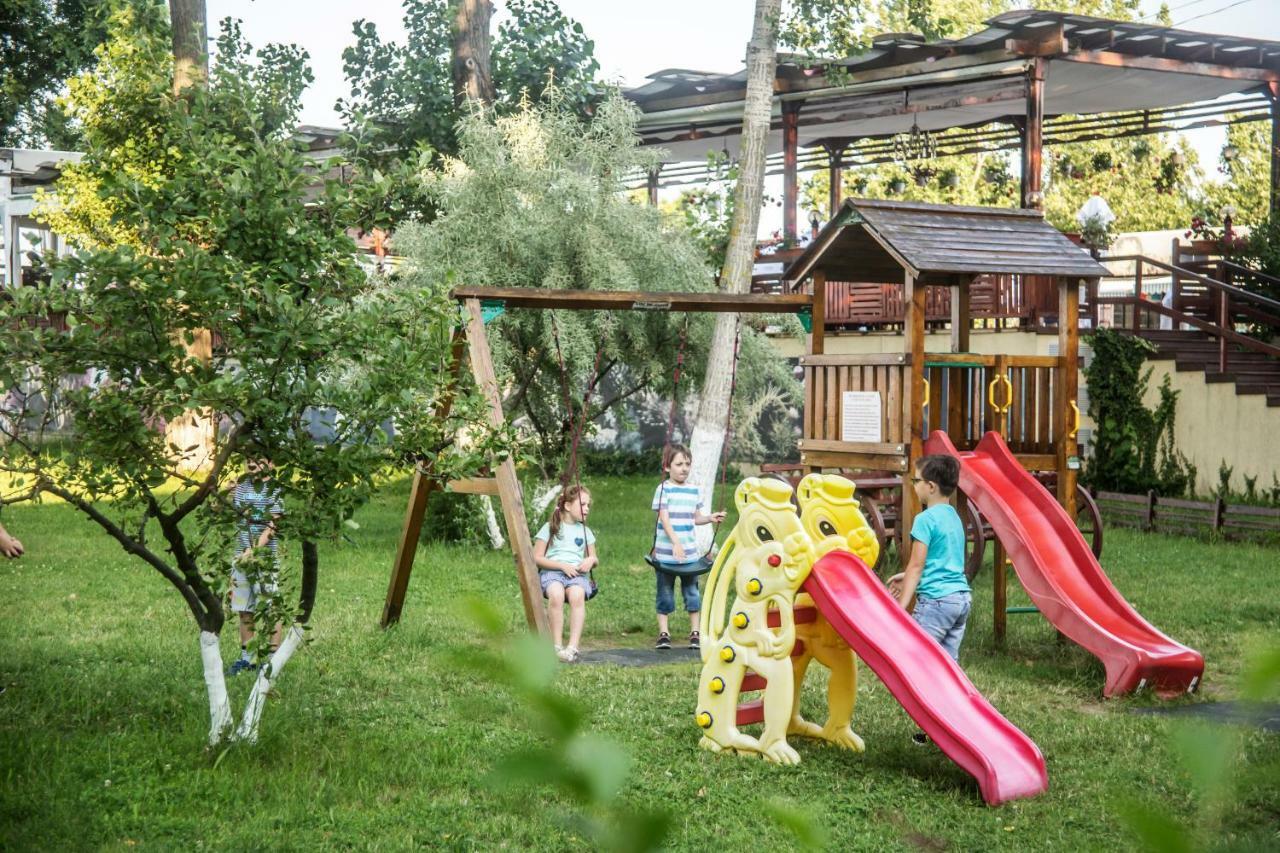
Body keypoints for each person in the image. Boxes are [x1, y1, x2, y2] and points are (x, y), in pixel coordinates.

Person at [887, 454, 971, 745]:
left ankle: (931, 724)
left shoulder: (924, 520)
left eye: (917, 481)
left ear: (931, 487)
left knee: (918, 664)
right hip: (959, 600)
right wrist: (906, 575)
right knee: (946, 667)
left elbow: (917, 565)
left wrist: (901, 608)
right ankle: (951, 725)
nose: (914, 486)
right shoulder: (955, 518)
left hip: (935, 603)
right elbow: (943, 562)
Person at [651, 444, 726, 651]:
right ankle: (664, 633)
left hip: (690, 555)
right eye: (679, 464)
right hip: (666, 554)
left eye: (687, 464)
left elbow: (696, 518)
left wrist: (710, 518)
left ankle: (695, 632)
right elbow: (664, 519)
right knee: (665, 593)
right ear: (667, 467)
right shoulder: (663, 489)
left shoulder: (694, 491)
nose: (684, 468)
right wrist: (675, 542)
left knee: (692, 592)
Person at [227, 455, 284, 676]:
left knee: (271, 610)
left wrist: (255, 550)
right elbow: (222, 509)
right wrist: (225, 493)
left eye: (258, 459)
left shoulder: (275, 489)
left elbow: (273, 524)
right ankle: (247, 659)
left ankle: (272, 660)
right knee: (243, 609)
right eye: (248, 459)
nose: (251, 464)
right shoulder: (242, 487)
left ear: (271, 463)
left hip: (264, 560)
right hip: (241, 560)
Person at [533, 484, 596, 663]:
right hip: (552, 573)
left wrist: (589, 561)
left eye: (588, 505)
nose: (587, 509)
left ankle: (573, 647)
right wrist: (561, 566)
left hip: (576, 576)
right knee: (556, 594)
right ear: (568, 506)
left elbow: (594, 557)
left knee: (577, 595)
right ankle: (556, 645)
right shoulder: (550, 527)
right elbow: (536, 557)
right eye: (583, 505)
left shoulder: (585, 531)